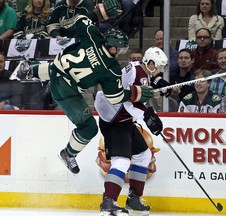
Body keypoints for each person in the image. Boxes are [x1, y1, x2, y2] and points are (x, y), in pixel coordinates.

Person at [12, 0, 155, 174]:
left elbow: (80, 19)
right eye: (120, 50)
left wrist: (100, 13)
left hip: (56, 68)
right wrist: (136, 93)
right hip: (66, 91)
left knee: (60, 66)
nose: (120, 53)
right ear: (112, 48)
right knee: (89, 128)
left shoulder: (92, 35)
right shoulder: (111, 69)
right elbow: (115, 97)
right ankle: (68, 154)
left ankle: (29, 71)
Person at [94, 46, 167, 215]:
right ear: (151, 63)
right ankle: (108, 202)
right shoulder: (133, 71)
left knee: (144, 155)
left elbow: (138, 98)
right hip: (114, 121)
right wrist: (146, 116)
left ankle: (134, 199)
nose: (160, 70)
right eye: (159, 66)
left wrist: (149, 114)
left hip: (124, 121)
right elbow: (124, 99)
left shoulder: (142, 73)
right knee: (122, 162)